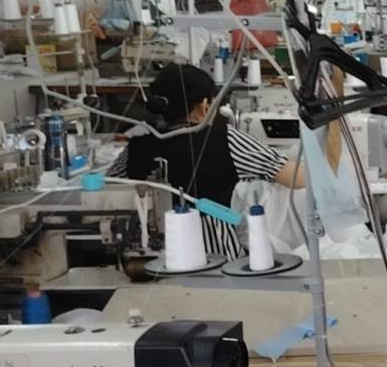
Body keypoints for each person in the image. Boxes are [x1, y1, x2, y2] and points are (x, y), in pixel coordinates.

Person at [112, 63, 303, 258]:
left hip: (150, 261)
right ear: (204, 106)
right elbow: (295, 177)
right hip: (219, 261)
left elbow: (108, 190)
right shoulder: (225, 139)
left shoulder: (136, 148)